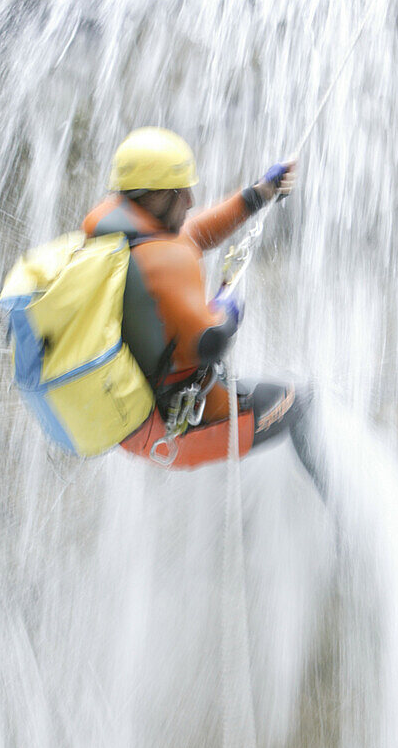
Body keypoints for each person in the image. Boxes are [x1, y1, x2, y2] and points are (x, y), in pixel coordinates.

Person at [82, 127, 325, 493]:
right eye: (182, 191)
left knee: (270, 386)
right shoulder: (164, 260)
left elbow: (191, 235)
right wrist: (227, 311)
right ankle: (349, 531)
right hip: (180, 434)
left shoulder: (115, 235)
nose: (192, 200)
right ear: (161, 195)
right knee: (303, 402)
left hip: (132, 421)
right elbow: (209, 342)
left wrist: (257, 195)